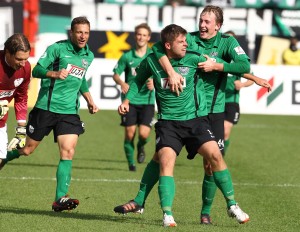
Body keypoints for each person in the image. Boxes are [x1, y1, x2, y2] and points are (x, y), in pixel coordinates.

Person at [114, 24, 250, 227]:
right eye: (181, 41)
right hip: (168, 123)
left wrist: (253, 77)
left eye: (186, 40)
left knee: (215, 156)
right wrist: (126, 100)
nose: (187, 44)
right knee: (166, 161)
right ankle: (167, 214)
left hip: (195, 121)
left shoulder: (195, 57)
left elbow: (232, 66)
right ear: (168, 45)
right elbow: (137, 81)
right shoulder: (152, 60)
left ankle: (232, 204)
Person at [0, 16, 99, 212]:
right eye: (79, 32)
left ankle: (60, 198)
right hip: (46, 108)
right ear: (71, 32)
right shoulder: (57, 49)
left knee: (68, 151)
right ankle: (4, 158)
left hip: (69, 111)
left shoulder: (89, 55)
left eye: (86, 32)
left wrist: (89, 99)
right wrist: (54, 74)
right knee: (27, 150)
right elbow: (37, 70)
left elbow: (82, 79)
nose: (83, 36)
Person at [112, 23, 155, 171]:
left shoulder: (153, 55)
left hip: (148, 100)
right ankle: (131, 164)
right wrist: (122, 83)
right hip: (130, 100)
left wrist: (155, 82)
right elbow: (116, 74)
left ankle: (141, 146)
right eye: (139, 34)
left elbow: (163, 74)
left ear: (148, 37)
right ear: (135, 36)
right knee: (130, 133)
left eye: (144, 35)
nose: (141, 37)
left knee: (143, 134)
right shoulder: (127, 56)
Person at [0, 33, 31, 167]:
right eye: (19, 59)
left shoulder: (26, 68)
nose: (23, 64)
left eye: (26, 59)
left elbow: (21, 97)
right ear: (7, 52)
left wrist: (21, 129)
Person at [223, 30, 254, 154]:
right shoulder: (217, 58)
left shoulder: (238, 60)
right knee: (216, 134)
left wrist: (242, 84)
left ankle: (220, 157)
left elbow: (252, 79)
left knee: (226, 130)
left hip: (231, 101)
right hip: (216, 101)